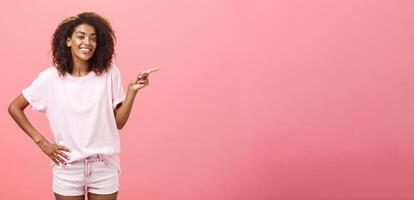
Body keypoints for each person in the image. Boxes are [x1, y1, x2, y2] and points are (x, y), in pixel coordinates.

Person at [8, 12, 159, 200]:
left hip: (103, 166)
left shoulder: (109, 73)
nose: (87, 42)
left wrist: (131, 91)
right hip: (68, 167)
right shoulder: (50, 78)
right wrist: (42, 142)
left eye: (93, 38)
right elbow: (14, 107)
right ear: (68, 41)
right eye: (81, 36)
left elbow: (118, 123)